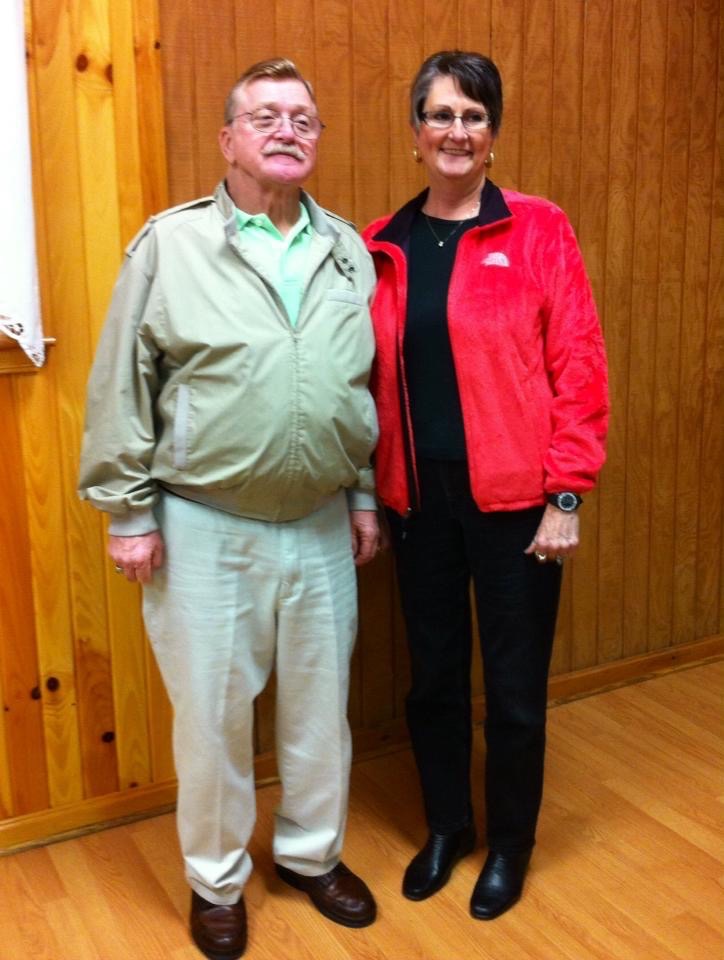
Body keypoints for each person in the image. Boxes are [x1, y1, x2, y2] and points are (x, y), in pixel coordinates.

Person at [79, 58, 380, 960]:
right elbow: (121, 386)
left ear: (317, 141)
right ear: (228, 139)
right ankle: (216, 880)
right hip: (203, 525)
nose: (288, 129)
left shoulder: (347, 249)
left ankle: (309, 855)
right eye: (266, 116)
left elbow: (358, 388)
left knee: (321, 713)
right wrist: (127, 513)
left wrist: (363, 496)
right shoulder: (169, 245)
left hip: (323, 522)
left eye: (304, 117)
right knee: (212, 720)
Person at [363, 50, 609, 921]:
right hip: (420, 506)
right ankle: (447, 828)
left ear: (493, 135)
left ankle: (510, 844)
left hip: (519, 510)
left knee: (512, 690)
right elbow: (363, 385)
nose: (455, 130)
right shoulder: (379, 246)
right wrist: (372, 493)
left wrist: (566, 494)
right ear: (416, 132)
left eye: (472, 115)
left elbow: (579, 364)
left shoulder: (539, 228)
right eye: (439, 114)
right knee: (432, 681)